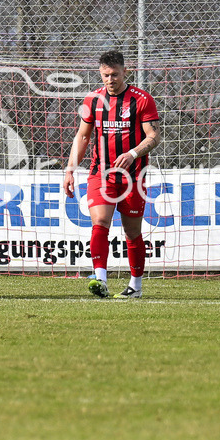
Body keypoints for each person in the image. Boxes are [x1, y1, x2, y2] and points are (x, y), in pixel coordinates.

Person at [62, 50, 161, 299]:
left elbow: (154, 136)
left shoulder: (142, 99)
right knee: (100, 222)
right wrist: (70, 169)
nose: (110, 79)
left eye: (115, 74)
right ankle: (101, 279)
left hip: (133, 177)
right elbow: (83, 137)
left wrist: (133, 153)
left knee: (132, 233)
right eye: (105, 75)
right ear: (100, 73)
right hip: (100, 174)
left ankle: (135, 286)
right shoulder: (93, 100)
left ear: (125, 72)